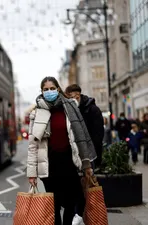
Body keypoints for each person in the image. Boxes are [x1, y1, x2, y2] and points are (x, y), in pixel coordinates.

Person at [27, 76, 96, 225]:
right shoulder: (37, 113)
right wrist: (32, 173)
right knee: (54, 204)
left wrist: (87, 165)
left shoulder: (70, 107)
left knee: (72, 201)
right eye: (46, 89)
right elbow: (33, 146)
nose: (49, 91)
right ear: (41, 91)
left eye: (52, 88)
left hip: (69, 162)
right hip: (49, 165)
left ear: (58, 89)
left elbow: (81, 137)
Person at [65, 84, 104, 167]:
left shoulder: (92, 110)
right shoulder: (71, 110)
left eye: (71, 98)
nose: (70, 101)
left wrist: (95, 157)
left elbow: (98, 136)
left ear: (78, 96)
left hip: (90, 155)